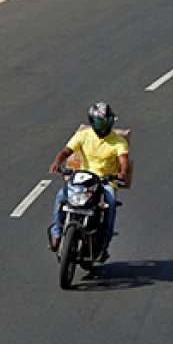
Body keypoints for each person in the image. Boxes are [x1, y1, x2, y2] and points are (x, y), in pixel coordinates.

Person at [49, 101, 130, 260]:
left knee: (111, 203)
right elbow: (67, 150)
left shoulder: (119, 141)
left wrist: (122, 172)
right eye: (100, 122)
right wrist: (57, 162)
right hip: (82, 178)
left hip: (105, 182)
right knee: (61, 197)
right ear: (93, 121)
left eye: (107, 121)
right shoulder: (83, 135)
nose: (104, 125)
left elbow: (123, 160)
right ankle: (56, 234)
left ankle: (103, 244)